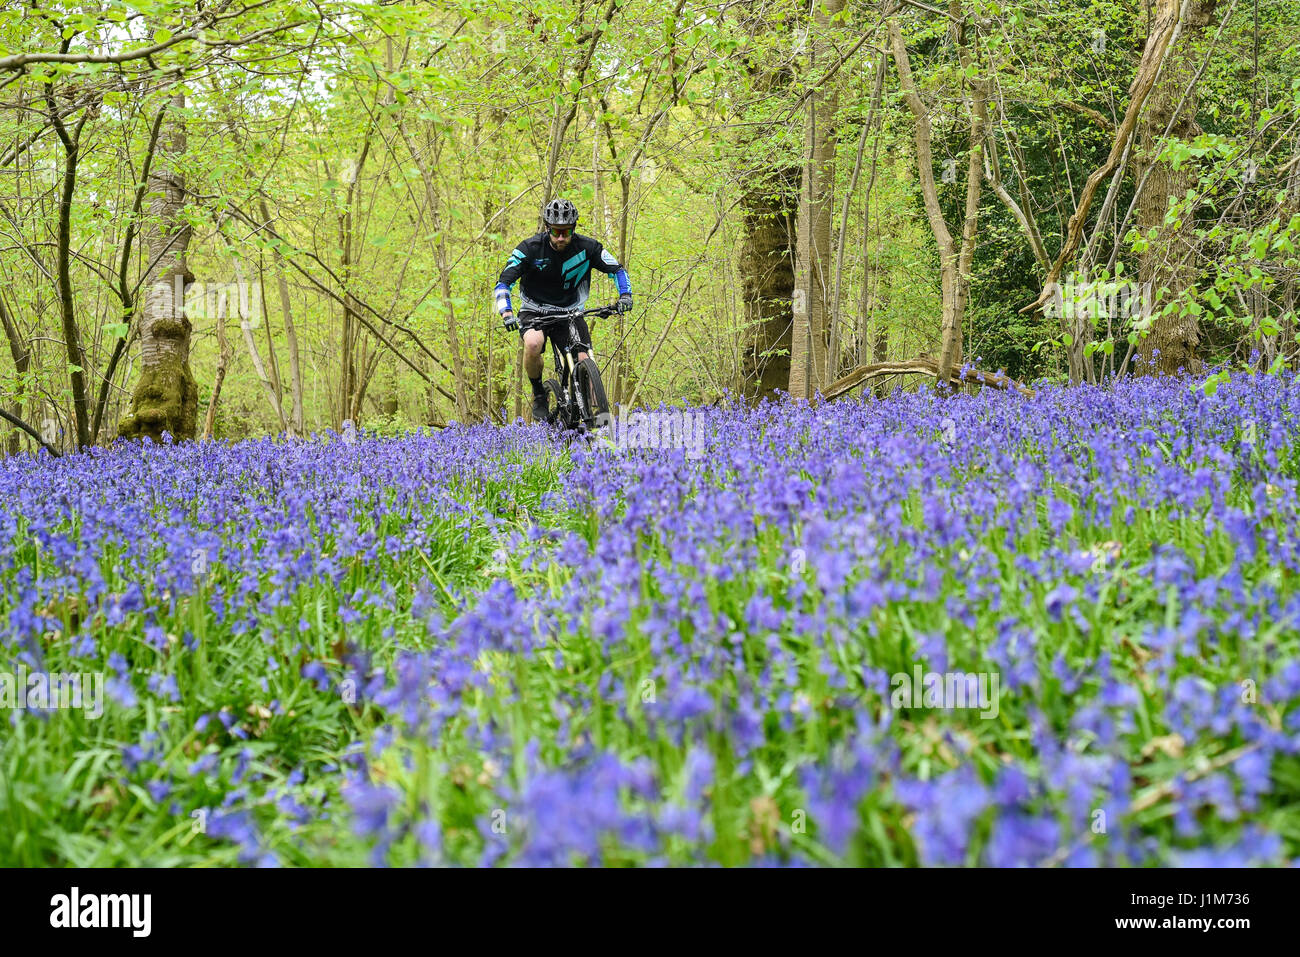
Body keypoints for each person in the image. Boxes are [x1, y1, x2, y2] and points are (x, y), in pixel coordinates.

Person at [495, 198, 632, 422]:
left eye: (566, 232)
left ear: (573, 228)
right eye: (556, 232)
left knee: (583, 356)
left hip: (570, 311)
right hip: (534, 310)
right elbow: (503, 283)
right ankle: (539, 392)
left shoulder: (588, 248)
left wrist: (625, 295)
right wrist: (507, 313)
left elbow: (617, 269)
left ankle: (591, 414)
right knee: (532, 344)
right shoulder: (529, 248)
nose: (561, 237)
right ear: (548, 228)